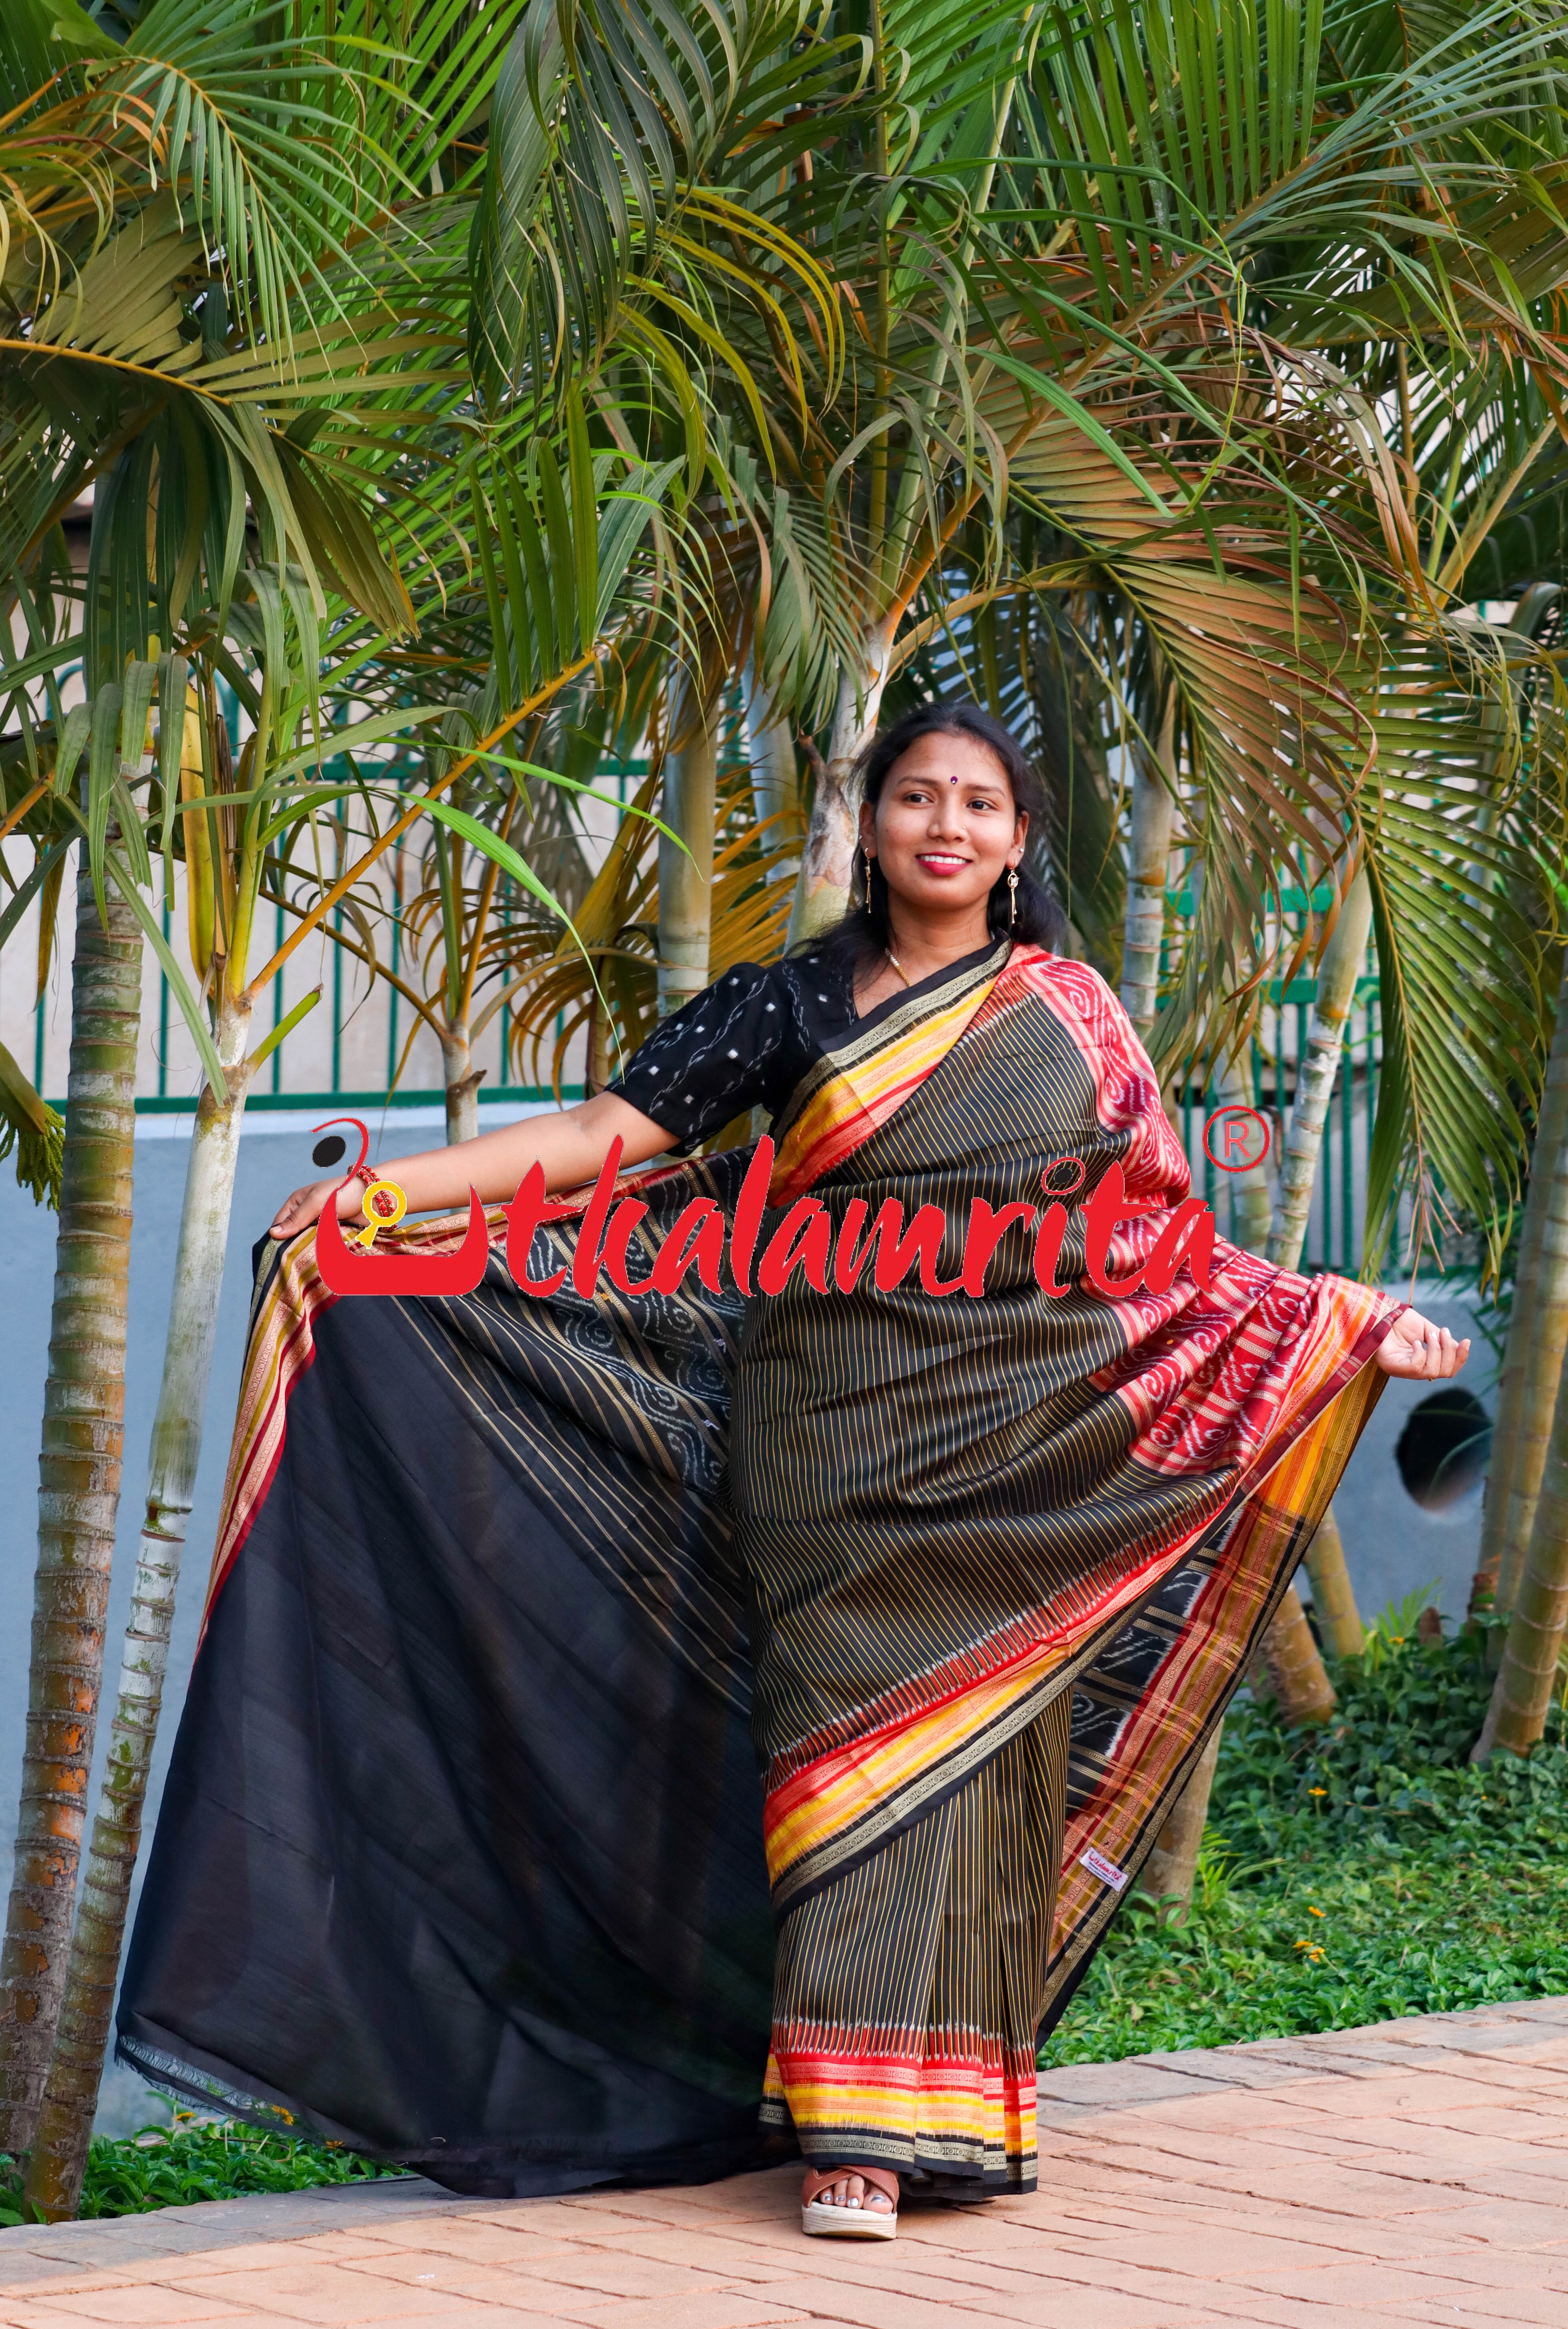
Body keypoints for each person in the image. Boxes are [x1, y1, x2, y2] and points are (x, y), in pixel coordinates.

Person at [122, 702, 1464, 2240]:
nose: (946, 825)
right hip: (828, 1446)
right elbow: (597, 1142)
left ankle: (949, 2108)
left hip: (1026, 1448)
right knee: (839, 1769)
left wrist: (1346, 1321)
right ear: (875, 823)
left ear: (1017, 842)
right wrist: (378, 1202)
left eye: (977, 803)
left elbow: (1162, 1249)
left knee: (982, 1775)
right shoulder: (791, 1004)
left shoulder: (1073, 1012)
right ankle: (853, 2141)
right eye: (916, 798)